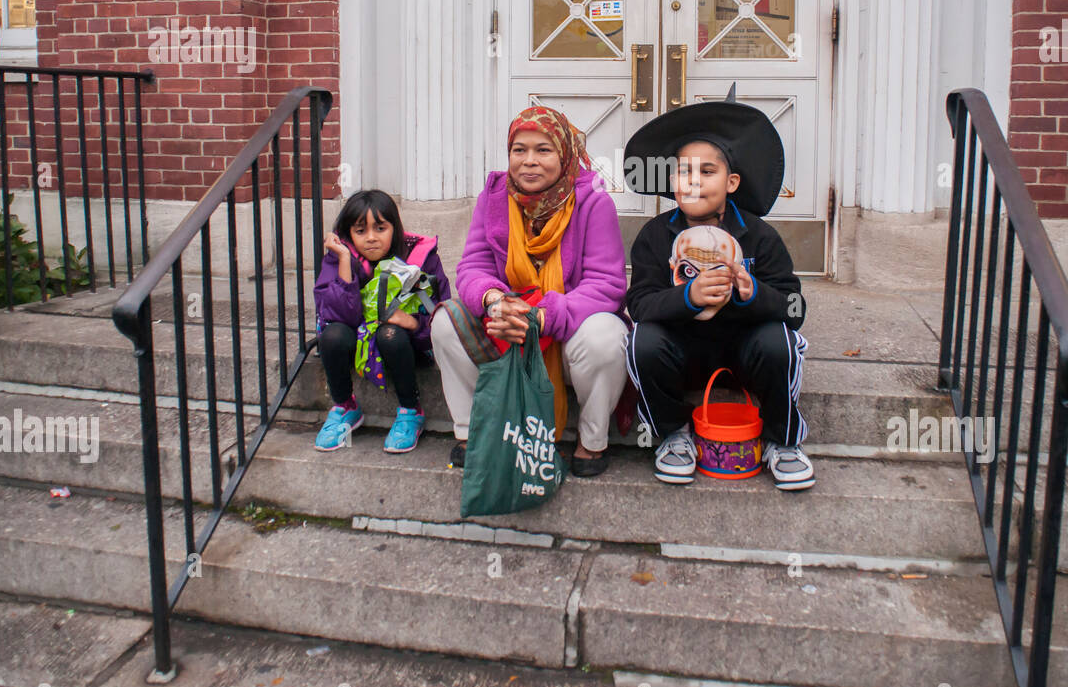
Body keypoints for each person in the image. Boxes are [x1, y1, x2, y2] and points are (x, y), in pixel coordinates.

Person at [622, 86, 813, 490]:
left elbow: (794, 307)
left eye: (707, 172)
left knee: (780, 339)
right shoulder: (656, 236)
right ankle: (673, 434)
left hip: (746, 353)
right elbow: (638, 304)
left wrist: (753, 293)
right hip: (682, 353)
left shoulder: (759, 238)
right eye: (683, 171)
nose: (693, 182)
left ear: (732, 182)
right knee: (642, 340)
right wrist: (687, 297)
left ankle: (783, 440)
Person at [431, 106, 628, 478]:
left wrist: (542, 316)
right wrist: (495, 301)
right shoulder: (494, 198)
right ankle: (474, 433)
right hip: (508, 324)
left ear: (564, 154)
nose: (529, 161)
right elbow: (473, 268)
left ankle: (591, 441)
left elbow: (607, 285)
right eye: (519, 150)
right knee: (445, 322)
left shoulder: (593, 201)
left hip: (566, 334)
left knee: (607, 336)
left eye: (543, 150)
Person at [312, 189, 449, 454]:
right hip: (358, 343)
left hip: (405, 345)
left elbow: (441, 316)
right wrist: (343, 261)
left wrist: (413, 323)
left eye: (380, 228)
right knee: (333, 335)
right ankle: (345, 407)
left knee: (390, 333)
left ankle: (411, 411)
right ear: (348, 234)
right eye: (360, 231)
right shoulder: (340, 256)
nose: (371, 238)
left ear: (394, 228)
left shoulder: (420, 258)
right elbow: (336, 316)